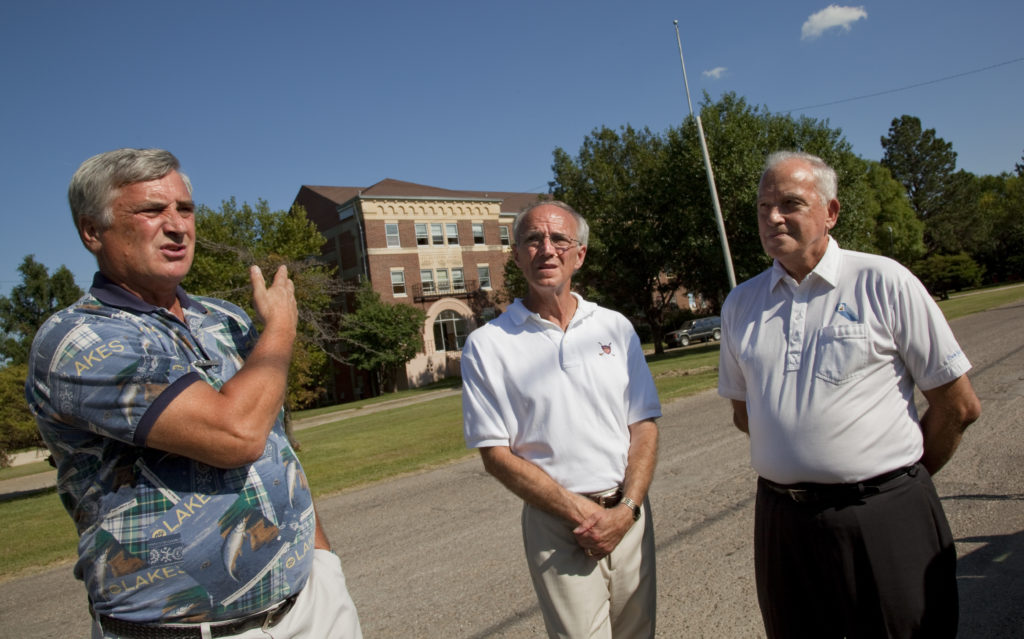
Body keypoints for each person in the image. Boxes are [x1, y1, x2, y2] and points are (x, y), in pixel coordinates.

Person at [26, 148, 362, 638]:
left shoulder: (225, 319)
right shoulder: (80, 340)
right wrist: (282, 328)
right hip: (183, 630)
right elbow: (237, 434)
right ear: (92, 231)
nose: (177, 225)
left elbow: (274, 445)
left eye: (185, 209)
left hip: (311, 607)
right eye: (151, 210)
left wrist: (322, 559)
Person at [718, 150, 981, 638]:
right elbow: (745, 411)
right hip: (783, 523)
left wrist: (898, 481)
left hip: (883, 517)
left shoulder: (882, 281)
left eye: (790, 203)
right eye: (763, 206)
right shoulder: (741, 304)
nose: (773, 217)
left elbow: (959, 405)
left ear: (831, 212)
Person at [461, 201, 661, 638]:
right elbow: (496, 455)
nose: (547, 249)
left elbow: (643, 424)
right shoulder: (488, 345)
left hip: (628, 514)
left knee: (639, 632)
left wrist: (627, 509)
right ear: (516, 255)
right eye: (533, 239)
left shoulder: (615, 327)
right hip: (558, 524)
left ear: (580, 254)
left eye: (559, 239)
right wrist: (583, 512)